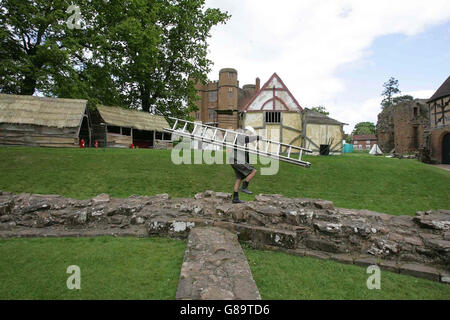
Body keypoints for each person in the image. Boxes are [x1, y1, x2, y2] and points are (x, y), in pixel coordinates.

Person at [229, 127, 262, 204]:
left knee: (239, 178)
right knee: (253, 171)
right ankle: (244, 187)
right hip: (237, 159)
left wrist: (248, 164)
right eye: (250, 133)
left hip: (234, 159)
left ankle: (235, 198)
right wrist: (258, 137)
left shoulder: (242, 142)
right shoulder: (241, 136)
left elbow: (246, 155)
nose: (250, 134)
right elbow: (247, 139)